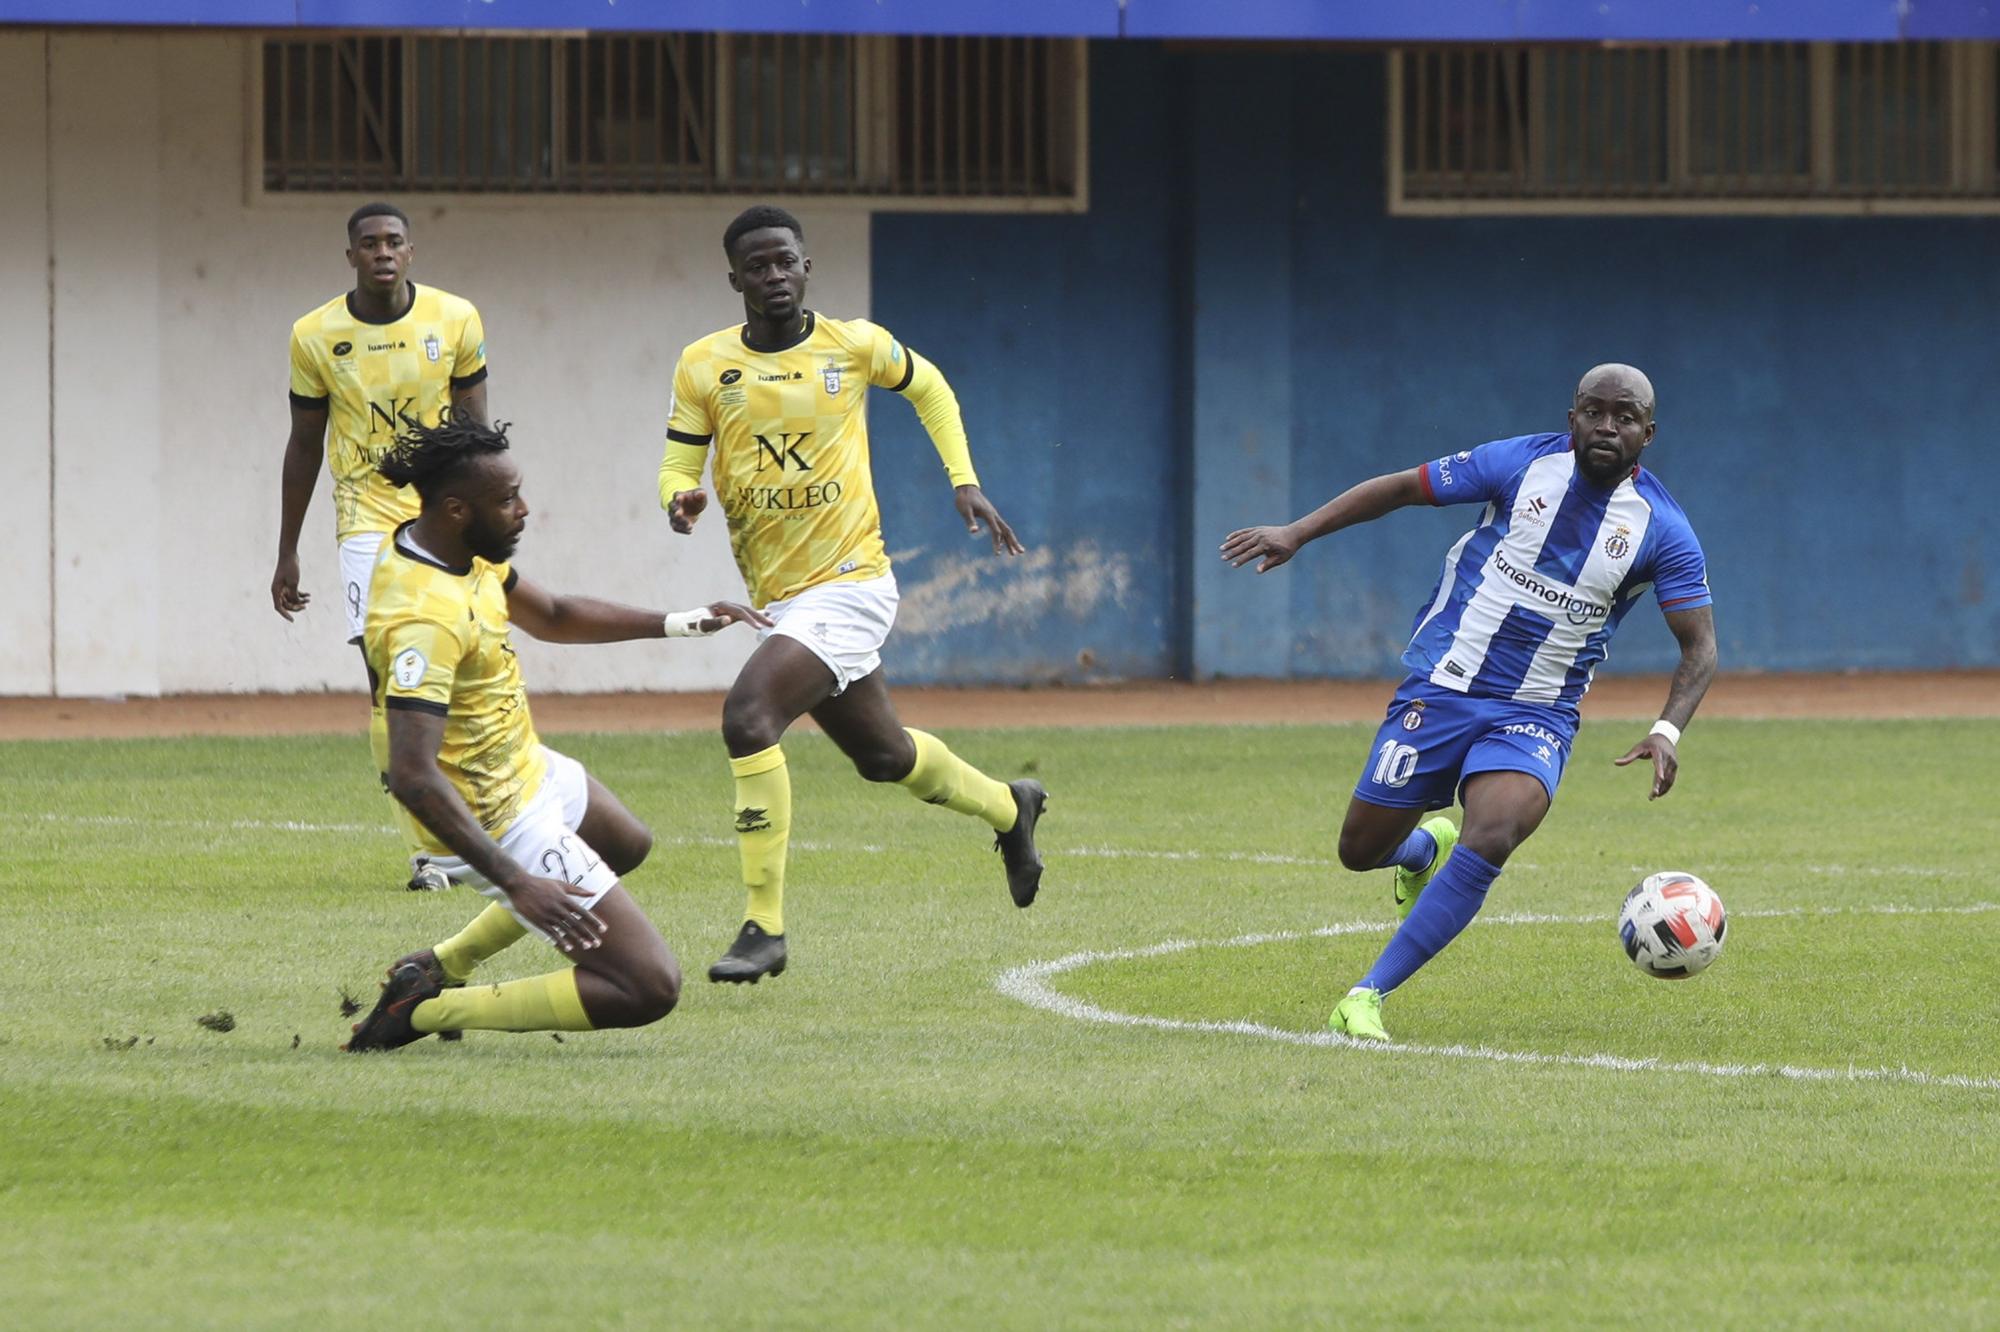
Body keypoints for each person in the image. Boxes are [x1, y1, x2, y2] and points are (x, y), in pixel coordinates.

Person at [1220, 364, 1717, 1042]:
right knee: (1359, 851)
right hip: (1444, 686)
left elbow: (1700, 646)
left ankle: (1366, 996)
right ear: (1571, 415)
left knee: (1495, 831)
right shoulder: (1517, 464)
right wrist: (1297, 532)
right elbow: (1399, 488)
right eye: (1594, 412)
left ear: (1647, 434)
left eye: (1624, 418)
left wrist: (1667, 730)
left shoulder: (1663, 530)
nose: (1607, 426)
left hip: (1538, 712)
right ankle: (1422, 852)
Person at [658, 204, 1046, 985]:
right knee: (884, 756)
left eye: (786, 262)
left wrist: (963, 482)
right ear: (734, 278)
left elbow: (931, 387)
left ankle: (763, 927)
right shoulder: (704, 365)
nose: (774, 276)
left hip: (851, 582)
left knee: (749, 716)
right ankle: (1012, 806)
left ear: (807, 268)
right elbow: (678, 462)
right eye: (758, 266)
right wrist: (679, 498)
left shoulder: (854, 344)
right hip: (781, 593)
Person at [343, 415, 768, 1052]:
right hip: (491, 816)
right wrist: (517, 881)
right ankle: (425, 1011)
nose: (524, 510)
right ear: (458, 509)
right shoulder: (422, 617)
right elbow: (411, 774)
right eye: (508, 499)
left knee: (624, 841)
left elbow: (555, 615)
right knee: (648, 986)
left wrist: (682, 622)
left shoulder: (456, 549)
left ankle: (439, 964)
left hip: (522, 766)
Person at [272, 201, 492, 891]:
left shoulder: (456, 319)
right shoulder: (314, 334)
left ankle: (474, 820)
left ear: (411, 250)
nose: (382, 252)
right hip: (364, 522)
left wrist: (484, 525)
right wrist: (287, 549)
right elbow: (305, 442)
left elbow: (476, 434)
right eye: (368, 243)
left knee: (458, 674)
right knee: (388, 682)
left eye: (394, 241)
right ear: (351, 257)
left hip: (441, 519)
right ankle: (429, 852)